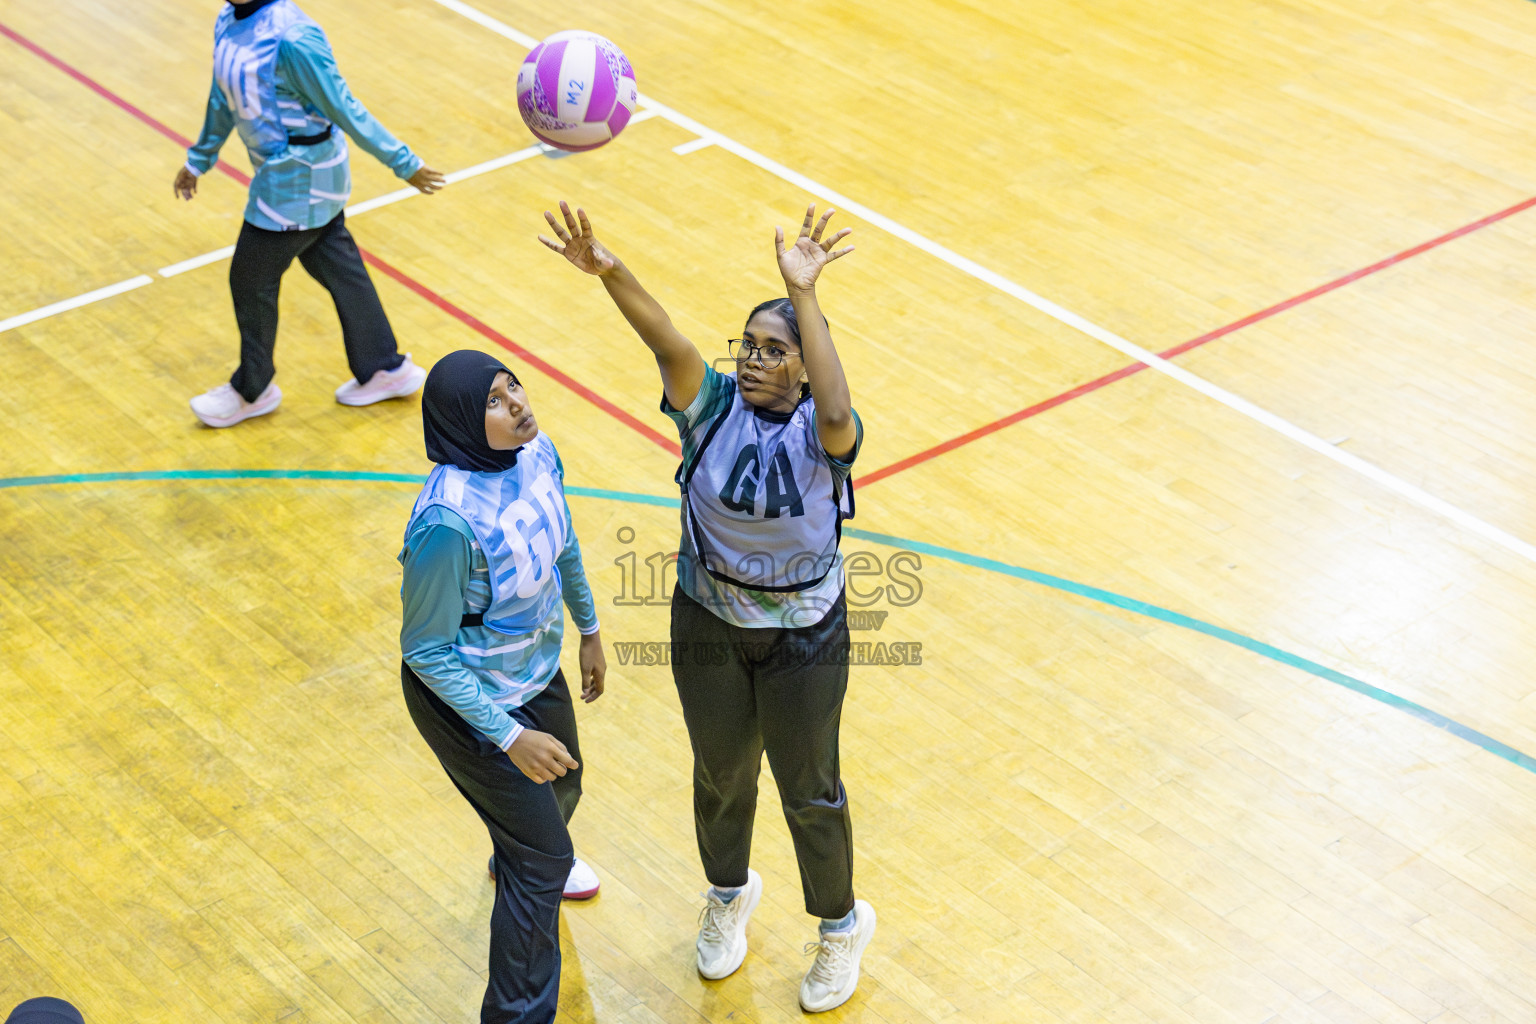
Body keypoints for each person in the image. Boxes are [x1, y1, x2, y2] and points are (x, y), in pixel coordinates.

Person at [539, 201, 875, 1013]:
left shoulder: (823, 431)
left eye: (777, 351)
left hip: (802, 636)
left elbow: (835, 408)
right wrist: (608, 270)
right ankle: (729, 894)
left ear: (804, 362)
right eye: (750, 347)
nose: (756, 360)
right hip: (708, 624)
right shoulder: (711, 407)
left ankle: (839, 927)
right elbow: (667, 340)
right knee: (721, 776)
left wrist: (803, 295)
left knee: (810, 789)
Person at [398, 350, 607, 1024]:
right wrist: (511, 736)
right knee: (544, 861)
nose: (516, 402)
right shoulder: (446, 525)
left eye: (512, 385)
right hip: (465, 700)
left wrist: (590, 626)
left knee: (567, 781)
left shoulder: (538, 452)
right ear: (462, 422)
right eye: (493, 399)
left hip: (532, 669)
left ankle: (513, 850)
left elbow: (563, 539)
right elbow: (425, 650)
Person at [174, 0, 446, 428]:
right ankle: (385, 369)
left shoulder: (294, 39)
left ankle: (252, 389)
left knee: (250, 279)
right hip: (293, 180)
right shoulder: (228, 20)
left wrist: (404, 163)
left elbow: (344, 106)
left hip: (298, 182)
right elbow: (221, 96)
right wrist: (199, 159)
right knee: (338, 267)